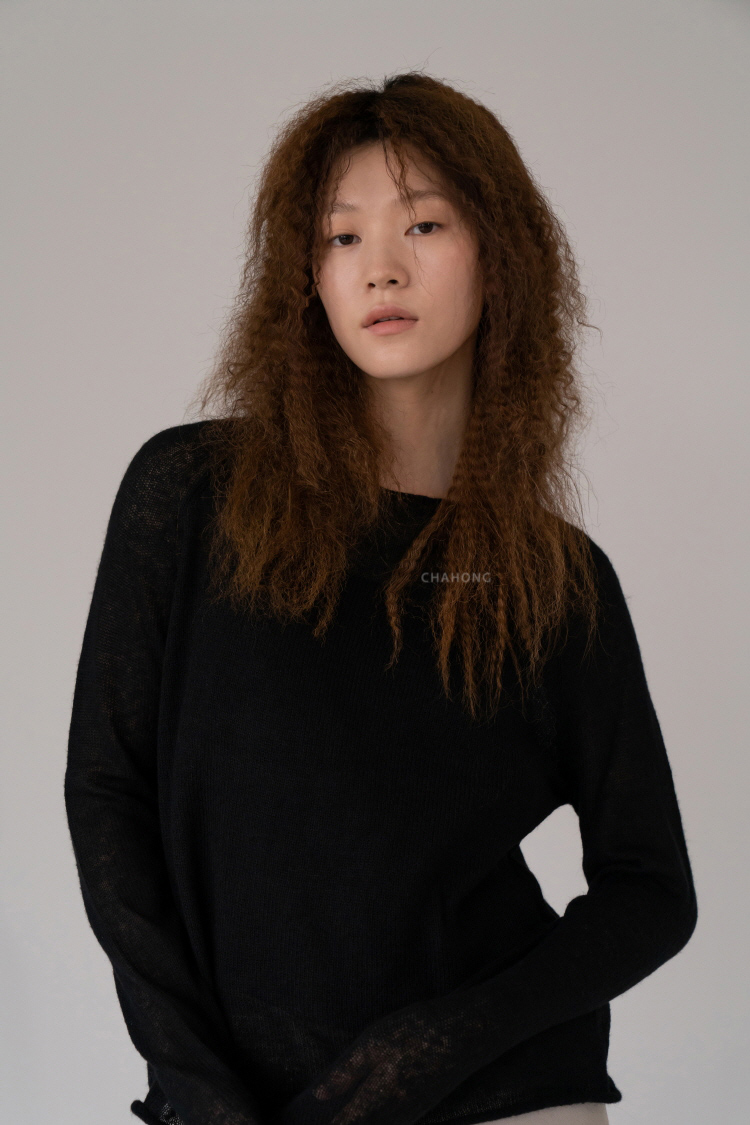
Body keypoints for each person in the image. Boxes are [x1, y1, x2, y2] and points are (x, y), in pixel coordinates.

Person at [64, 72, 698, 1125]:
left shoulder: (551, 579)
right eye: (341, 236)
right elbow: (107, 794)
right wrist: (198, 1092)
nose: (381, 267)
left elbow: (651, 889)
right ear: (305, 278)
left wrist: (434, 1048)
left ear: (500, 254)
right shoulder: (193, 494)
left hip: (499, 1098)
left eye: (425, 224)